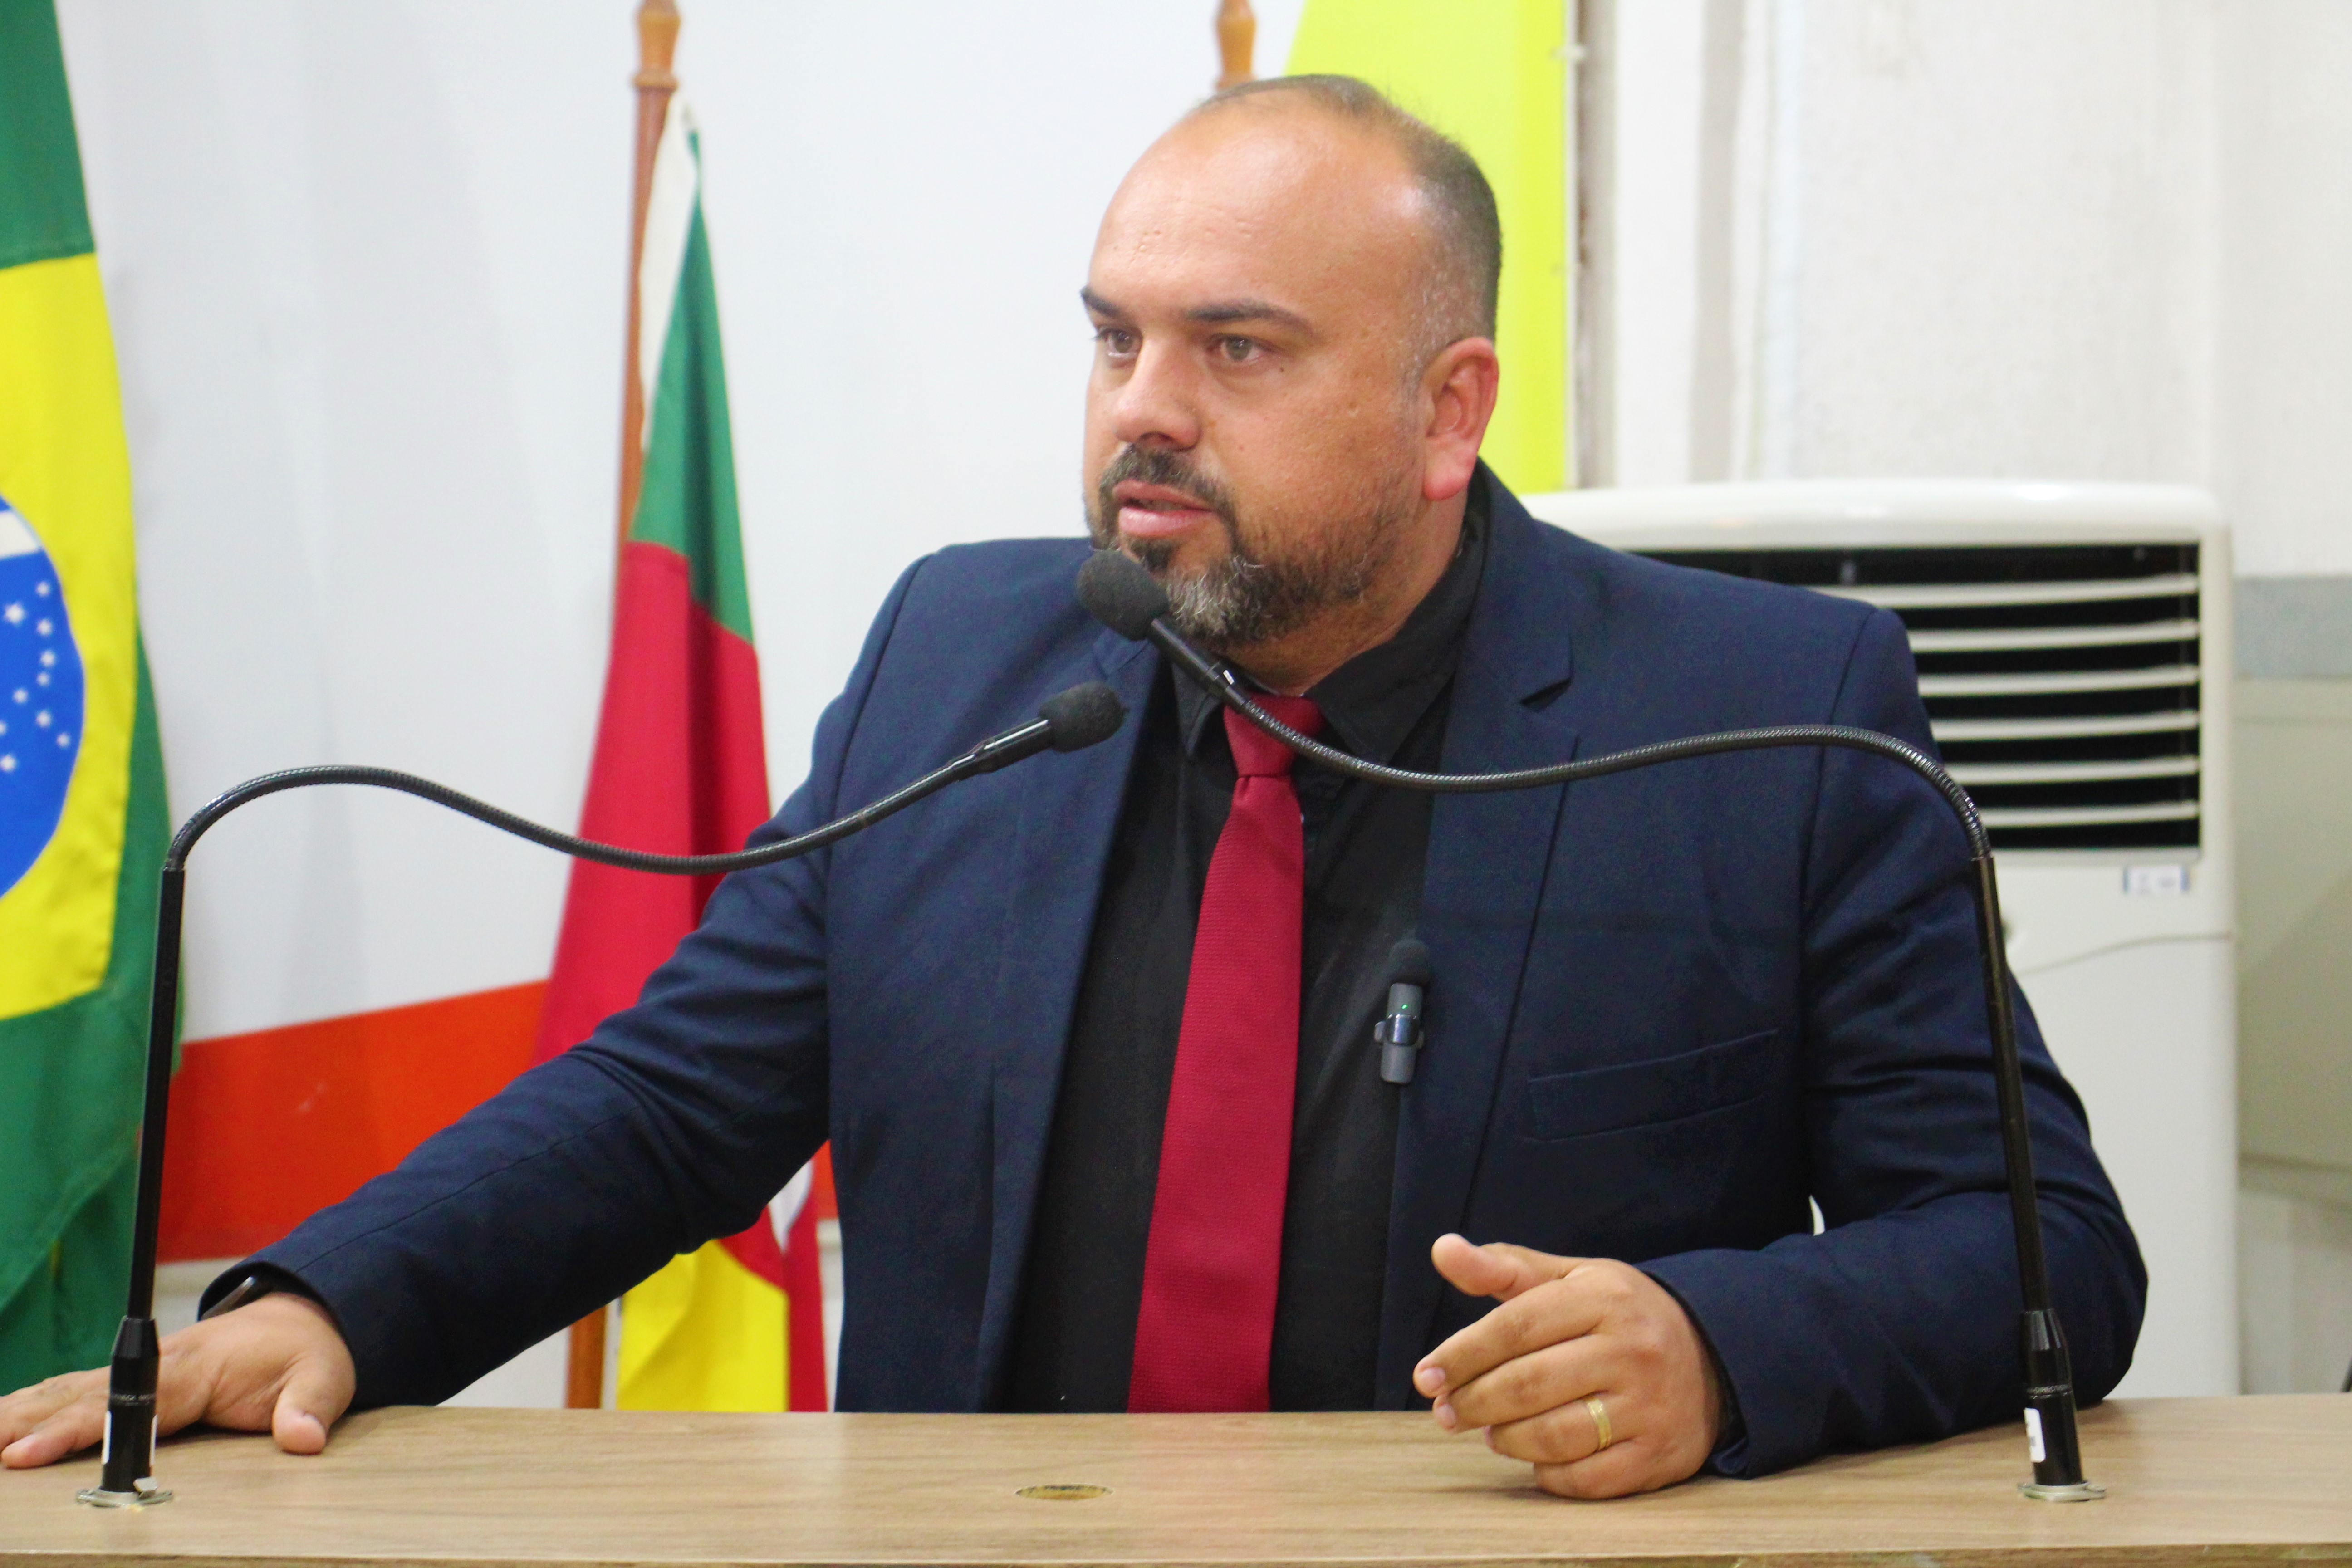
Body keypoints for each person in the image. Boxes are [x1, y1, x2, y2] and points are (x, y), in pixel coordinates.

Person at [0, 75, 2143, 1499]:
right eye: (1115, 339)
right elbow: (672, 1101)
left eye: (1237, 349)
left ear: (1448, 408)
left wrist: (1721, 1346)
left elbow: (2043, 1250)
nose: (1143, 412)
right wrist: (330, 1300)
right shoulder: (966, 658)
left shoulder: (1773, 719)